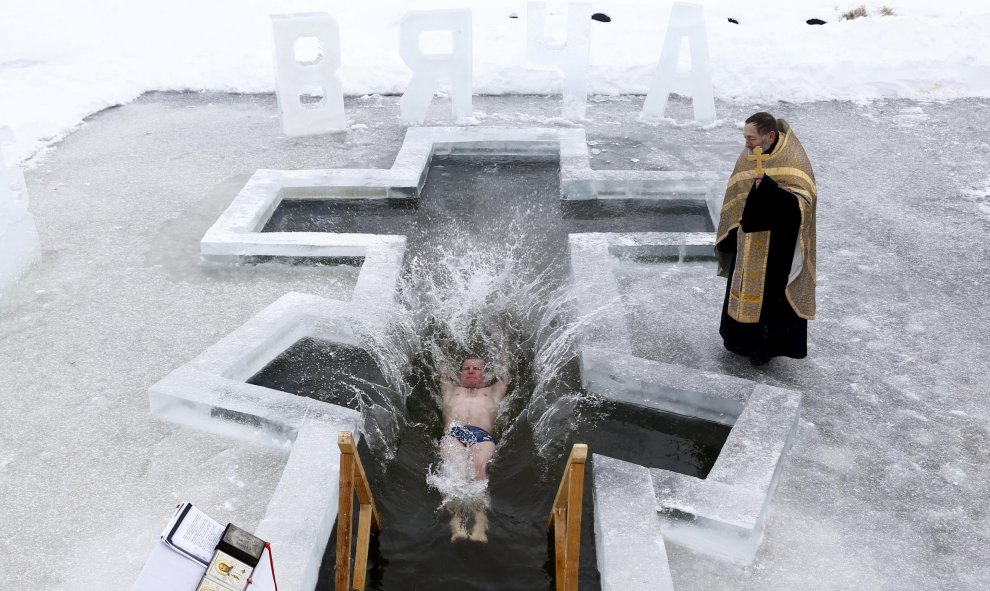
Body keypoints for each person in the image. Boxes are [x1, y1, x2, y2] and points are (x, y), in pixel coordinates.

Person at [715, 112, 817, 365]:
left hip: (777, 247)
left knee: (770, 302)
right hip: (747, 239)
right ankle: (737, 341)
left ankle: (764, 350)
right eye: (745, 137)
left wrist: (770, 189)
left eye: (751, 138)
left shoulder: (793, 158)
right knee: (742, 292)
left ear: (769, 136)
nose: (747, 144)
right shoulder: (748, 155)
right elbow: (737, 192)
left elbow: (803, 205)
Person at [438, 357, 509, 542]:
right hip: (454, 434)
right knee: (454, 472)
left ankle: (480, 525)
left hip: (482, 435)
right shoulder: (452, 390)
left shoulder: (492, 391)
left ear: (483, 374)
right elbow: (442, 367)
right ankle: (457, 524)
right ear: (460, 374)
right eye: (466, 368)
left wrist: (503, 352)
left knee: (479, 469)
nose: (471, 371)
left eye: (476, 368)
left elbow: (505, 374)